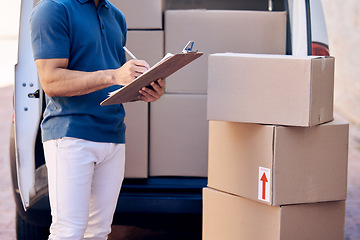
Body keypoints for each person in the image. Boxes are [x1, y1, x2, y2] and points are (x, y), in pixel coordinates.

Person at [29, 0, 165, 239]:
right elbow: (51, 81)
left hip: (113, 136)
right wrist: (115, 74)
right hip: (70, 135)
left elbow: (109, 82)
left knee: (99, 233)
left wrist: (144, 90)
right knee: (68, 232)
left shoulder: (116, 16)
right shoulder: (52, 9)